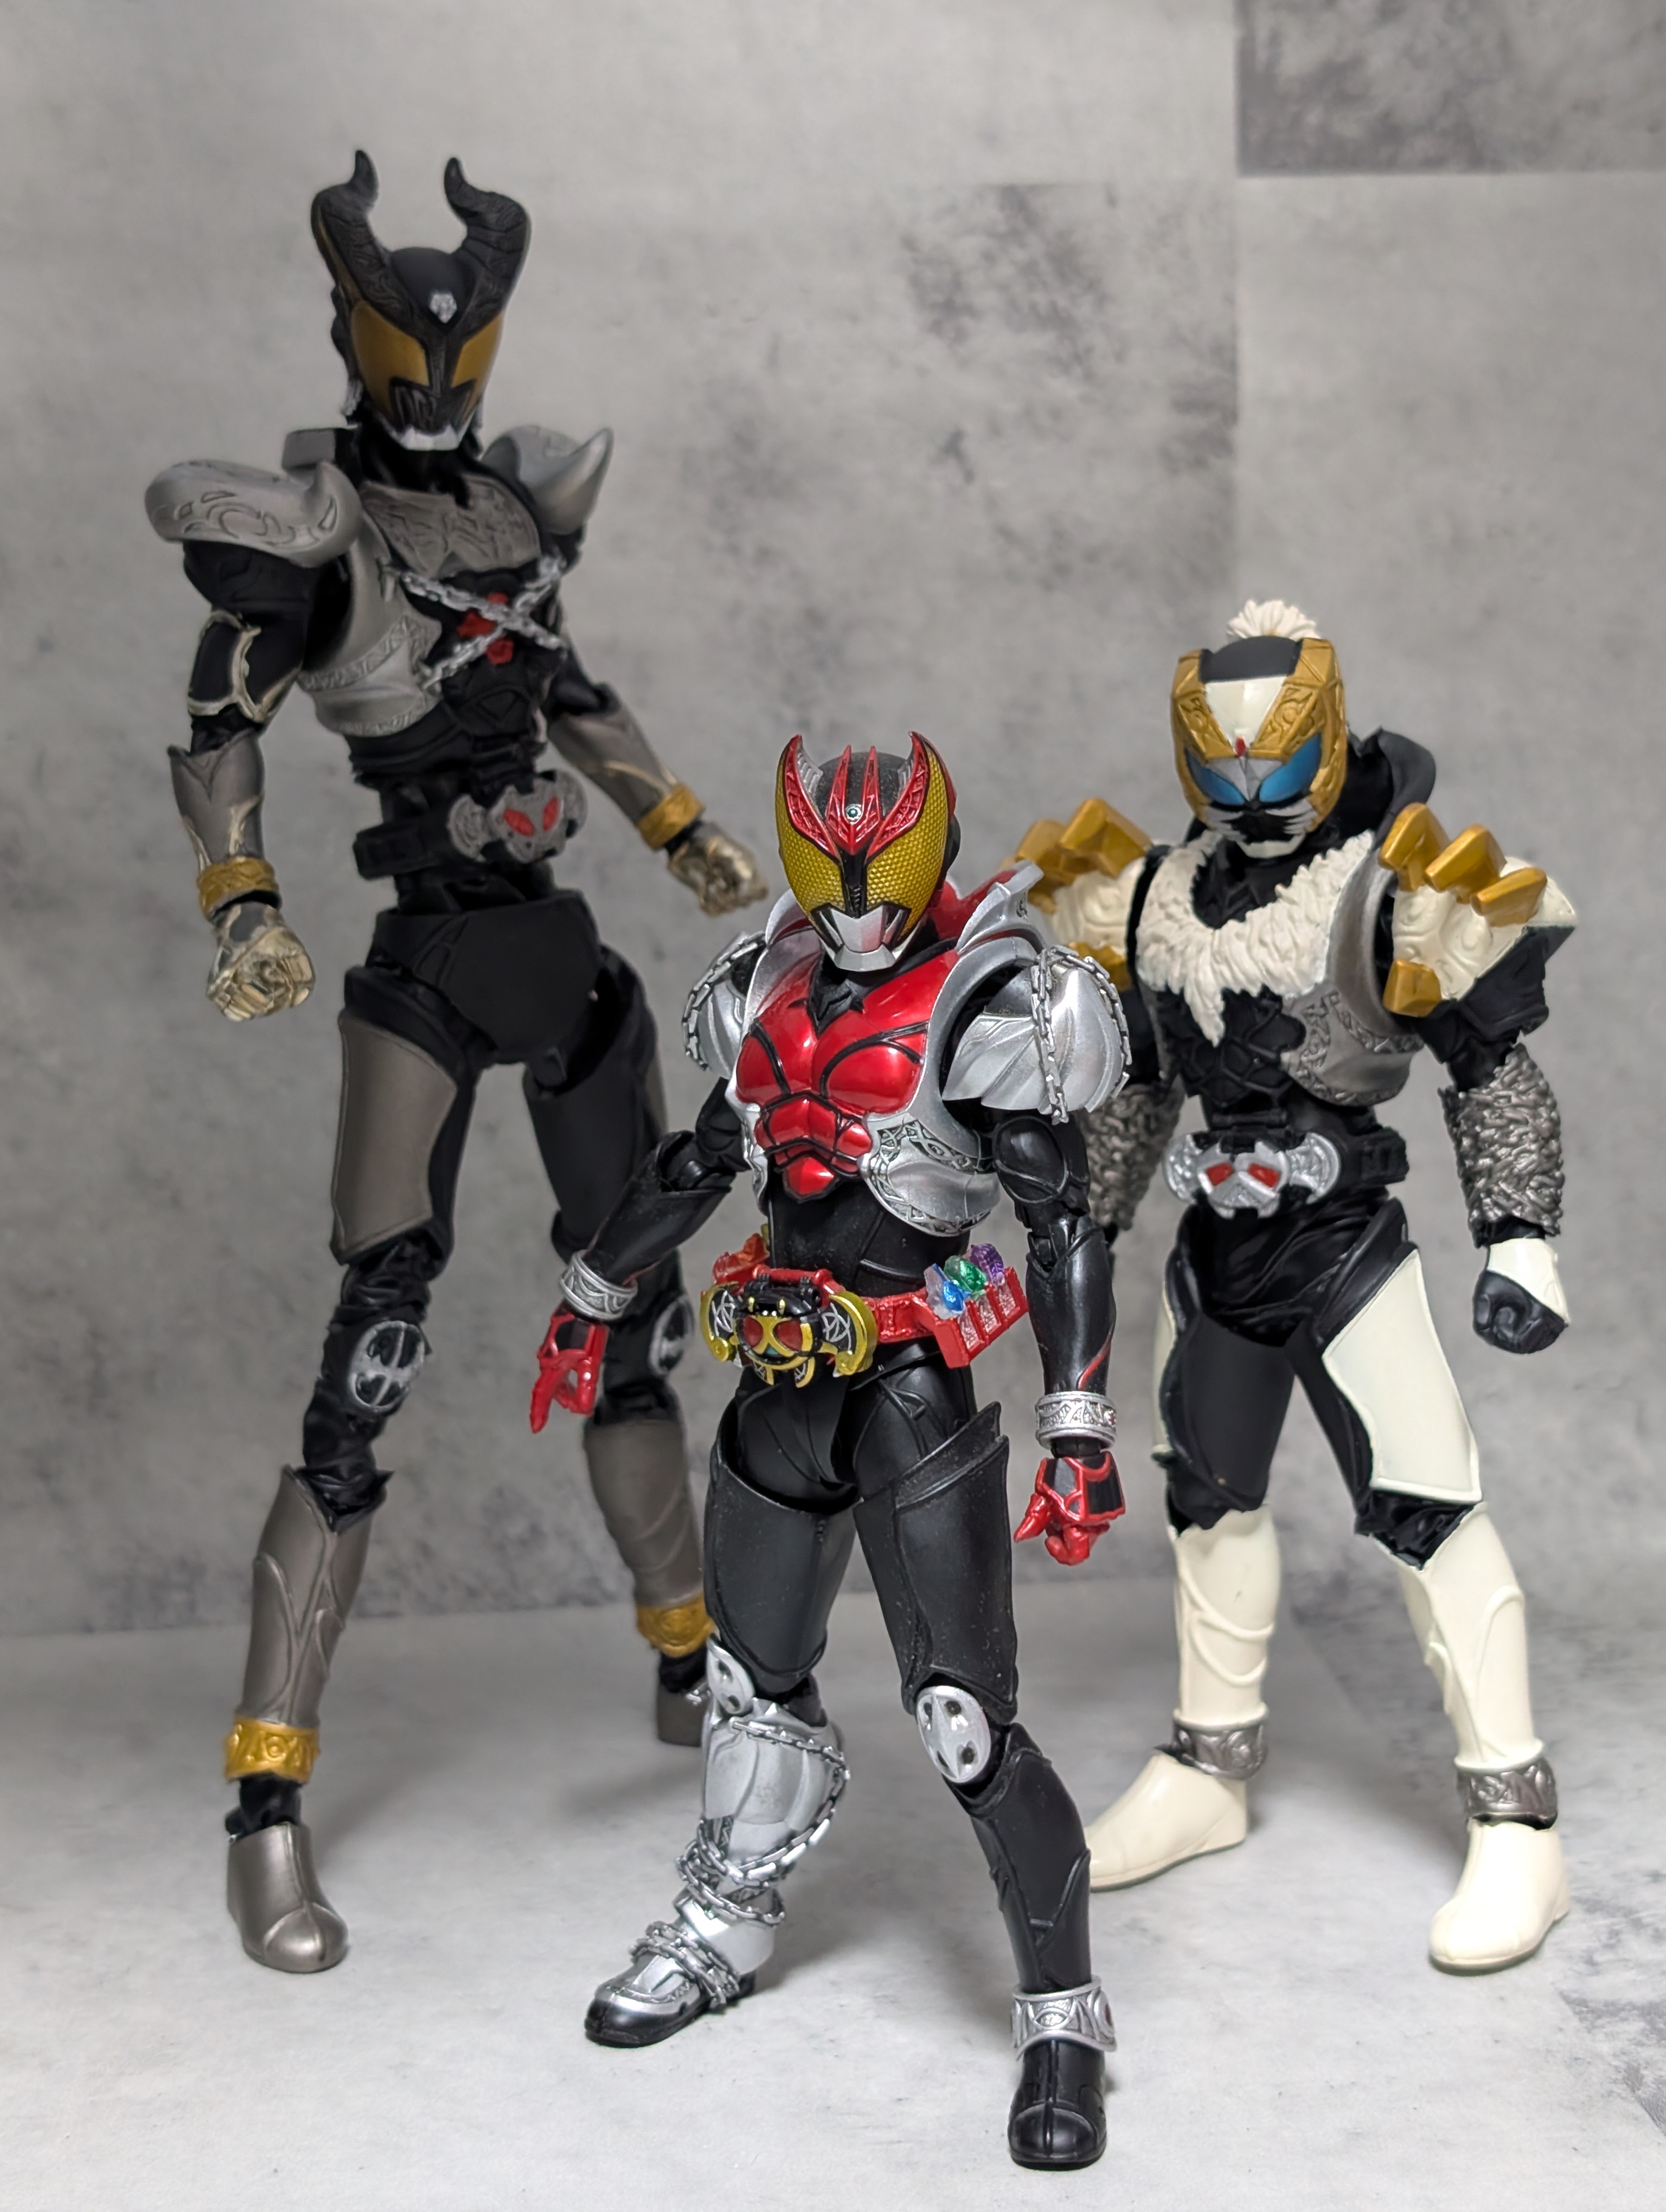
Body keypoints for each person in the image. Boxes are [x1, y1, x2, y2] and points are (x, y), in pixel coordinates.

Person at [144, 153, 766, 1973]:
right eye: (405, 351)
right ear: (352, 338)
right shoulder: (313, 528)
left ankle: (693, 1661)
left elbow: (569, 692)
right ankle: (265, 1806)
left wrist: (678, 826)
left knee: (632, 1318)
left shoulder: (509, 512)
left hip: (563, 960)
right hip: (424, 970)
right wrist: (242, 901)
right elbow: (219, 724)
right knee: (371, 1362)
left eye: (460, 351)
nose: (432, 382)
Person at [533, 732, 1127, 2169]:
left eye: (882, 866)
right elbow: (697, 1165)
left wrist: (1079, 1425)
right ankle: (724, 1929)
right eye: (833, 868)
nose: (858, 898)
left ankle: (1063, 2017)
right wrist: (594, 1294)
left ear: (928, 847)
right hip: (777, 1388)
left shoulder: (990, 993)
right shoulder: (766, 984)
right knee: (752, 1692)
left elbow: (1062, 1226)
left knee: (967, 1723)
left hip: (910, 1391)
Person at [1026, 598, 1573, 1973]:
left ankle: (1517, 1819)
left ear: (1328, 742)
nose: (1255, 799)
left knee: (1428, 1507)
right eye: (1226, 772)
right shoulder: (1149, 897)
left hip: (1344, 1243)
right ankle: (1209, 1768)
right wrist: (1083, 1225)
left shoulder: (1389, 887)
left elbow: (1492, 1067)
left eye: (1280, 766)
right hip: (1218, 1249)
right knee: (1207, 1498)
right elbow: (1137, 1088)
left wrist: (1518, 1236)